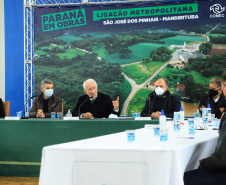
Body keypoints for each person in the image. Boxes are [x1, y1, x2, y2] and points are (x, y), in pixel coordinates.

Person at [184, 72, 226, 185]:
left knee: (184, 177)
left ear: (221, 89)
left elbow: (222, 159)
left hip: (222, 174)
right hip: (206, 125)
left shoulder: (224, 100)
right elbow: (202, 111)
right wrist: (219, 110)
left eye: (213, 88)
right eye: (209, 87)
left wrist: (204, 163)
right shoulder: (205, 98)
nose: (210, 90)